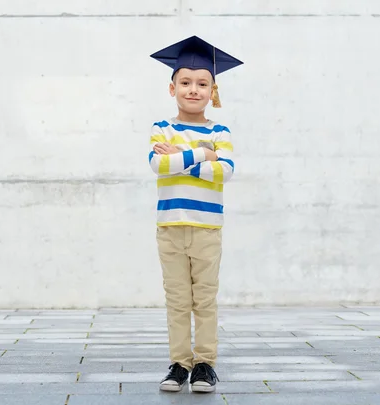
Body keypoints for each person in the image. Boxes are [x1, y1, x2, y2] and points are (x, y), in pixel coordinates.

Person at [147, 35, 243, 393]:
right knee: (176, 300)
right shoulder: (162, 128)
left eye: (202, 83)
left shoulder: (221, 131)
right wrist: (205, 155)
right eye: (185, 82)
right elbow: (160, 164)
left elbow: (228, 170)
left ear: (213, 90)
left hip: (206, 228)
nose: (193, 89)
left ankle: (204, 364)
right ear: (172, 88)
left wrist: (182, 158)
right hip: (170, 226)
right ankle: (178, 364)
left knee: (204, 299)